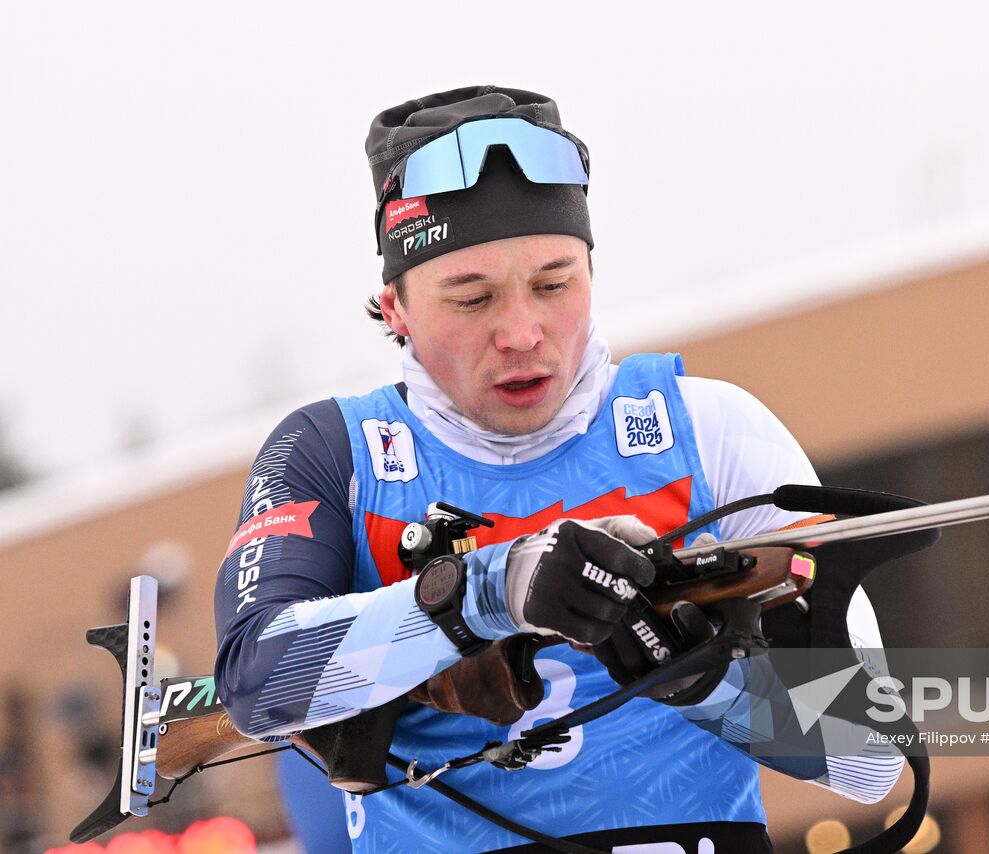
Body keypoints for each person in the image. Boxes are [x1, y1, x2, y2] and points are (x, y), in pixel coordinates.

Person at [214, 85, 902, 853]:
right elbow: (255, 684)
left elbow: (869, 757)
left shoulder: (707, 429)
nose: (521, 332)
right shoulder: (335, 452)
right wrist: (488, 592)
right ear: (396, 309)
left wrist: (697, 680)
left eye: (553, 284)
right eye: (471, 299)